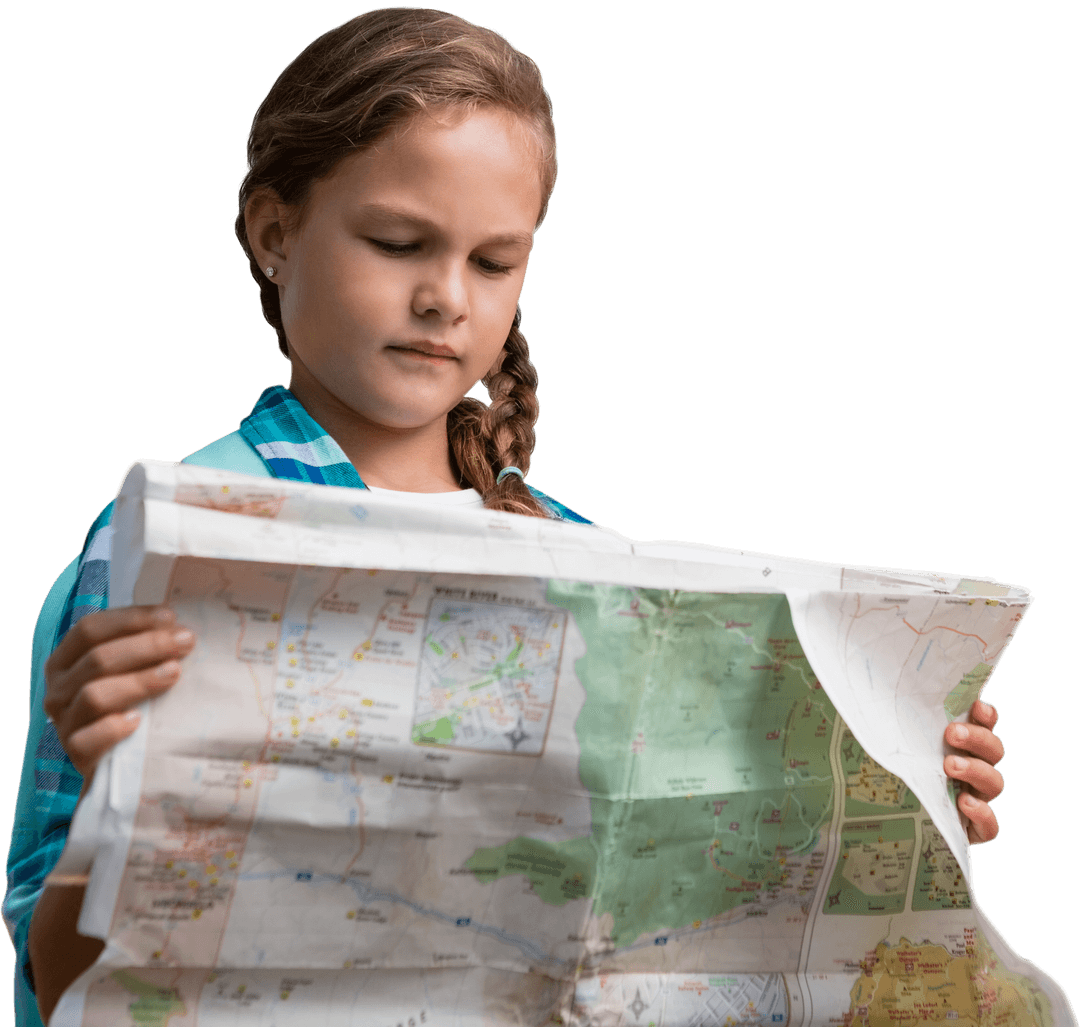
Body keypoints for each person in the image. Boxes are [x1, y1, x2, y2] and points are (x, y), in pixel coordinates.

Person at [4, 9, 1007, 1025]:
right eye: (398, 243)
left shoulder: (579, 561)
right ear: (274, 233)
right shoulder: (170, 545)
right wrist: (107, 804)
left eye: (493, 262)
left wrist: (906, 777)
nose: (446, 297)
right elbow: (57, 982)